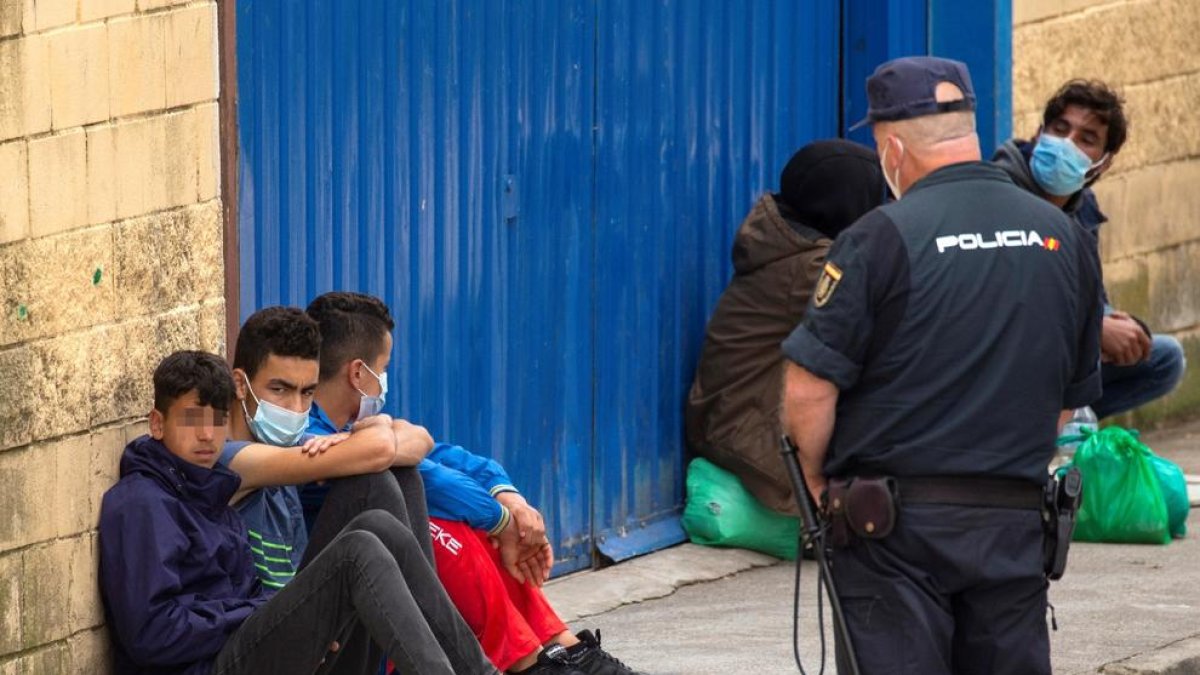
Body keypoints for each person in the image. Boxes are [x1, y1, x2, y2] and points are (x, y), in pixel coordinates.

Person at [780, 56, 1103, 674]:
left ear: (892, 147)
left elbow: (810, 383)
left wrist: (817, 484)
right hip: (1013, 521)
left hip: (892, 534)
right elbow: (1066, 396)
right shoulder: (1064, 238)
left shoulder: (877, 239)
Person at [98, 350, 499, 675]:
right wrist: (255, 615)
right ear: (156, 423)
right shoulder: (142, 504)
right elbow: (151, 634)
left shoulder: (209, 490)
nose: (207, 435)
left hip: (246, 645)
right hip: (207, 664)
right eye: (192, 419)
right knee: (358, 550)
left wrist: (289, 617)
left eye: (218, 420)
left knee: (378, 526)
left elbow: (247, 593)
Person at [303, 292, 642, 675]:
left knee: (471, 520)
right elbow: (428, 477)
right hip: (355, 623)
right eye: (384, 369)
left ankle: (559, 647)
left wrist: (507, 498)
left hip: (390, 596)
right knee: (446, 524)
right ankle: (525, 663)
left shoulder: (355, 429)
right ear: (359, 374)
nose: (384, 382)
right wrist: (501, 520)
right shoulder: (312, 442)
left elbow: (443, 455)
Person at [686, 139, 886, 514]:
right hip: (746, 433)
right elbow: (892, 333)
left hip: (731, 420)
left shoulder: (796, 246)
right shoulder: (813, 267)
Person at [993, 79, 1185, 419]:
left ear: (1102, 163)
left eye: (1086, 139)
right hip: (1006, 353)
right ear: (1039, 134)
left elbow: (1086, 295)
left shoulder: (1082, 209)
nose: (1067, 144)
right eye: (1060, 129)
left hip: (1059, 351)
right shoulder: (999, 192)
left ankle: (1064, 424)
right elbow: (1003, 300)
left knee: (1163, 358)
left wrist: (1115, 323)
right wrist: (1093, 330)